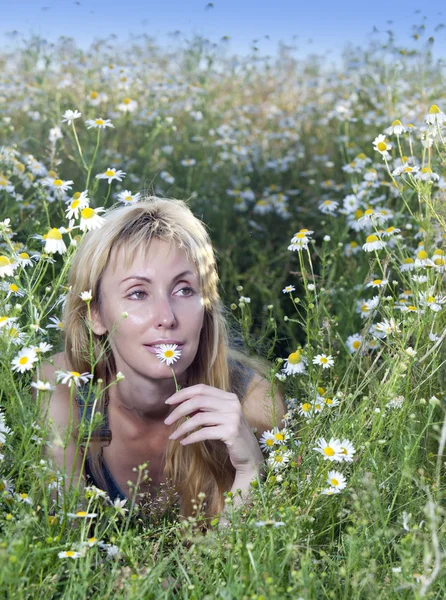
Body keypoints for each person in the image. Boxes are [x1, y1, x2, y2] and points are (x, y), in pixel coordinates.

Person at [38, 197, 286, 519]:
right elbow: (68, 544)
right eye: (138, 293)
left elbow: (239, 565)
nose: (166, 317)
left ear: (206, 305)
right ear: (95, 314)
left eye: (184, 290)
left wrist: (250, 470)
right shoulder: (67, 389)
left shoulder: (255, 403)